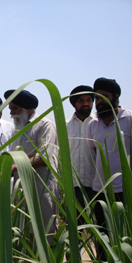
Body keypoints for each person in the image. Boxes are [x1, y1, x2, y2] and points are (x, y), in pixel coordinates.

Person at [4, 89, 59, 243]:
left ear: (25, 109)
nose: (11, 113)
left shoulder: (45, 125)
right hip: (21, 190)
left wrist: (14, 167)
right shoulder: (17, 128)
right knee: (24, 230)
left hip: (41, 187)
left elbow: (44, 156)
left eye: (14, 109)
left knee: (44, 232)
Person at [87, 77, 131, 260]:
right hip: (100, 191)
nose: (99, 101)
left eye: (104, 96)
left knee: (124, 236)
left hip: (124, 191)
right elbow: (93, 155)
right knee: (102, 236)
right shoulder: (92, 125)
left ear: (116, 97)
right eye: (96, 98)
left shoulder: (128, 119)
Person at [67, 85, 96, 224]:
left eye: (89, 99)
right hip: (74, 186)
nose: (86, 103)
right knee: (75, 227)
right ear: (74, 104)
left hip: (98, 186)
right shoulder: (65, 126)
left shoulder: (99, 124)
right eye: (81, 100)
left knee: (101, 229)